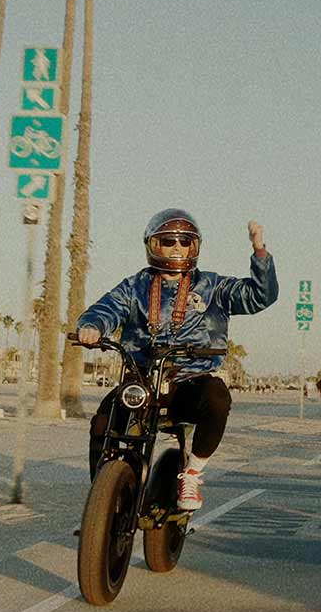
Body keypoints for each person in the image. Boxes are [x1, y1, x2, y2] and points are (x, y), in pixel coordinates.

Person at [75, 210, 277, 510]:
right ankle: (103, 497)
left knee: (218, 399)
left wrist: (259, 250)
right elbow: (107, 308)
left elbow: (260, 296)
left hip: (190, 380)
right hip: (141, 379)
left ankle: (192, 472)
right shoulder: (135, 286)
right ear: (153, 244)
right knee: (104, 420)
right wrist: (92, 326)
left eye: (185, 242)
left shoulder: (214, 287)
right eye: (168, 241)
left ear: (194, 247)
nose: (176, 249)